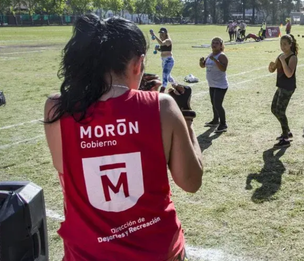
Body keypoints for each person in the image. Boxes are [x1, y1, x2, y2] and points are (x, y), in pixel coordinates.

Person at [43, 14, 203, 261]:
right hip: (158, 250)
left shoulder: (56, 108)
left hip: (87, 253)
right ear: (138, 65)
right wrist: (186, 119)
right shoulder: (162, 107)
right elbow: (191, 181)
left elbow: (71, 167)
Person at [269, 35, 298, 148]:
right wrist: (271, 67)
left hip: (288, 87)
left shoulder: (292, 57)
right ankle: (287, 131)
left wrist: (282, 61)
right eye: (281, 44)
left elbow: (289, 74)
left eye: (285, 44)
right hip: (280, 86)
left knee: (280, 111)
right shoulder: (280, 56)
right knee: (273, 109)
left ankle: (285, 138)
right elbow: (273, 69)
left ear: (290, 44)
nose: (283, 46)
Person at [199, 37, 229, 133]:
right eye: (213, 42)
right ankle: (215, 120)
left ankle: (223, 124)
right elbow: (203, 66)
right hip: (212, 84)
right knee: (213, 104)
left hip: (221, 85)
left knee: (218, 104)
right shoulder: (210, 55)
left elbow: (223, 69)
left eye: (216, 43)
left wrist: (215, 61)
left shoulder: (222, 56)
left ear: (221, 46)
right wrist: (201, 62)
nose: (214, 44)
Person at [150, 27, 175, 93]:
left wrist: (154, 35)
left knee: (165, 74)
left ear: (166, 34)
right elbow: (163, 49)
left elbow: (161, 43)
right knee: (168, 76)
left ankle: (162, 89)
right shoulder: (163, 41)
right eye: (160, 33)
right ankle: (176, 85)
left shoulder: (168, 40)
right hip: (164, 60)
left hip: (169, 60)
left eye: (162, 33)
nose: (161, 35)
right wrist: (157, 49)